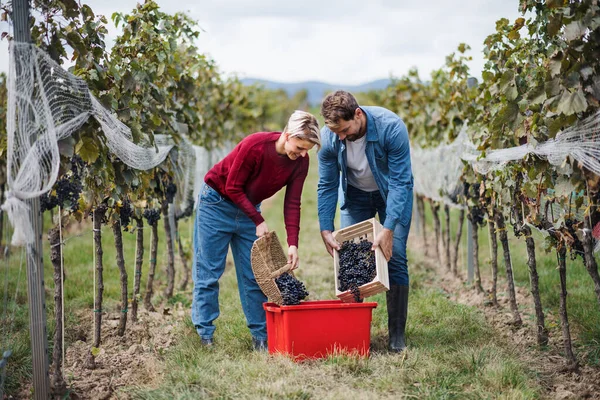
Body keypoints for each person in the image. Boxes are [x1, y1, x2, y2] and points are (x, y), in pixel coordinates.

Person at [192, 110, 320, 351]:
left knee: (255, 275)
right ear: (287, 134)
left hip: (249, 208)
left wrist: (293, 243)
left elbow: (292, 202)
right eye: (300, 146)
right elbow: (232, 187)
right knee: (209, 271)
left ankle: (261, 338)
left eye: (307, 150)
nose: (302, 154)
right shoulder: (256, 146)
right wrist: (258, 219)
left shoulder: (300, 162)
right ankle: (204, 334)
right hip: (217, 203)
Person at [317, 90, 413, 352]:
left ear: (358, 114)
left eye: (345, 130)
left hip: (390, 193)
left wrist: (389, 226)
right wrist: (326, 227)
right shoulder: (329, 138)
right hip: (355, 196)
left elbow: (401, 181)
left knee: (395, 254)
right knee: (350, 258)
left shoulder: (391, 128)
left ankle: (396, 336)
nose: (341, 137)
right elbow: (326, 184)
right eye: (336, 132)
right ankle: (356, 335)